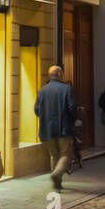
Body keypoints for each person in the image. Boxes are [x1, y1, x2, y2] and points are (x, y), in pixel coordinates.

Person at [34, 64, 76, 192]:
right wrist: (75, 119)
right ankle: (57, 174)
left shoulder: (42, 91)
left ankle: (57, 184)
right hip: (63, 128)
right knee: (65, 155)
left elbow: (37, 110)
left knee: (54, 156)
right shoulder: (66, 89)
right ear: (59, 74)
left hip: (46, 129)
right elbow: (71, 107)